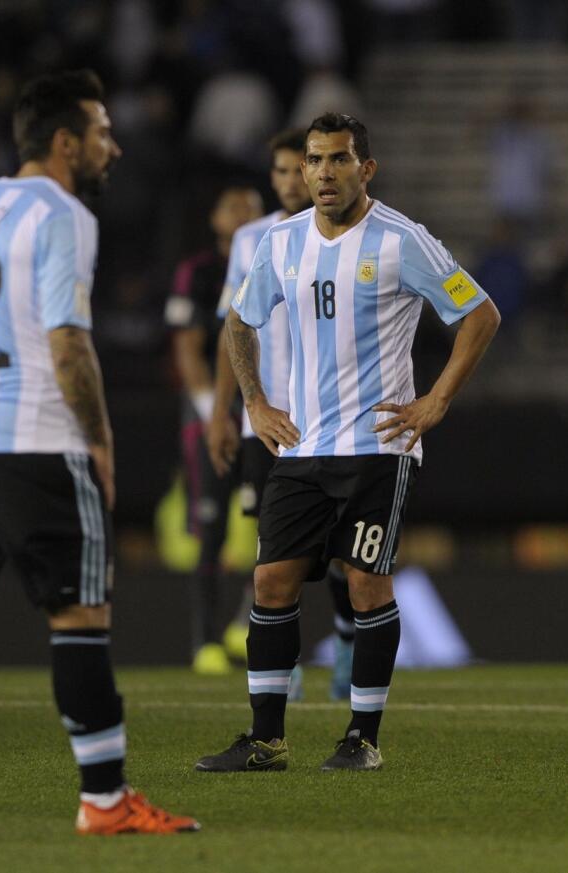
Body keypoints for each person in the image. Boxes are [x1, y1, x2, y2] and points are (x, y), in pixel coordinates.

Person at [0, 70, 199, 838]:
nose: (112, 147)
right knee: (78, 616)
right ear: (65, 143)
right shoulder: (64, 213)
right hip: (36, 439)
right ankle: (103, 798)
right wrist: (98, 437)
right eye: (100, 132)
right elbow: (67, 341)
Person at [196, 112, 500, 772]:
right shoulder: (280, 244)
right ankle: (266, 738)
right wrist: (254, 400)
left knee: (366, 584)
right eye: (313, 160)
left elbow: (479, 313)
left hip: (378, 448)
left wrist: (436, 400)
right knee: (271, 580)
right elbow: (239, 321)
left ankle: (362, 736)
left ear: (366, 169)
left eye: (338, 159)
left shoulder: (402, 240)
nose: (324, 172)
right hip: (302, 448)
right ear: (301, 169)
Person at [206, 127, 359, 701]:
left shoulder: (353, 233)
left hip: (334, 417)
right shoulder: (252, 239)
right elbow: (235, 326)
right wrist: (227, 410)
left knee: (344, 551)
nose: (293, 179)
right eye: (282, 170)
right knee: (275, 550)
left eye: (302, 167)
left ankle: (346, 639)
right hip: (267, 421)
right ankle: (285, 661)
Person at [164, 183, 262, 674]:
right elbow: (189, 347)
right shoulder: (198, 272)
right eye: (232, 205)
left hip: (264, 411)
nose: (243, 211)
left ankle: (246, 622)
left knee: (277, 527)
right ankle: (204, 642)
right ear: (215, 219)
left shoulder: (275, 256)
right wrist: (213, 411)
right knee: (211, 527)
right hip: (213, 415)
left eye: (251, 205)